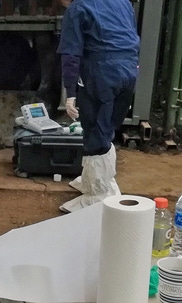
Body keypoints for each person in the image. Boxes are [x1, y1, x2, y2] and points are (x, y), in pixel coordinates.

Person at [57, 0, 139, 213]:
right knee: (108, 128)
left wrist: (70, 94)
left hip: (101, 72)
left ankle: (96, 198)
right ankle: (100, 181)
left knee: (95, 132)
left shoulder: (78, 9)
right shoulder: (122, 2)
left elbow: (71, 56)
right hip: (128, 70)